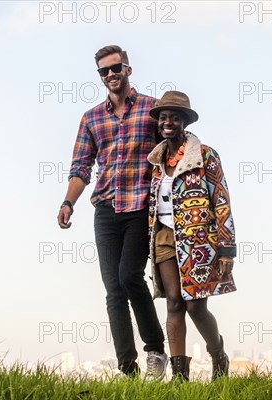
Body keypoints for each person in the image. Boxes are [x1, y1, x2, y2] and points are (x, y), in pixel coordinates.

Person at [57, 45, 168, 379]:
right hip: (105, 210)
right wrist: (67, 203)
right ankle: (127, 368)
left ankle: (155, 351)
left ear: (128, 70)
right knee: (113, 290)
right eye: (104, 71)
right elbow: (80, 168)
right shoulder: (91, 118)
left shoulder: (151, 109)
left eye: (115, 68)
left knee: (129, 276)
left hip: (139, 208)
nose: (110, 75)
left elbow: (174, 145)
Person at [146, 91, 237, 381]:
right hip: (164, 237)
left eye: (174, 117)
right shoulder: (157, 162)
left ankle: (218, 355)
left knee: (196, 306)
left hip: (199, 240)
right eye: (163, 118)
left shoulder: (206, 155)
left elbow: (221, 200)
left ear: (184, 122)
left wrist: (227, 249)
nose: (167, 122)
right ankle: (180, 377)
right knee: (173, 303)